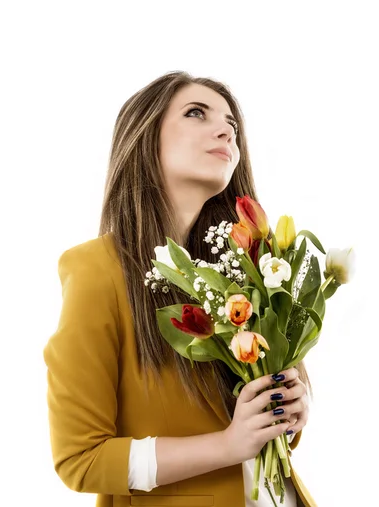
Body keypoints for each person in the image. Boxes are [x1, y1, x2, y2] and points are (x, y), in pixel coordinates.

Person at [43, 71, 317, 507]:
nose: (227, 129)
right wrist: (228, 445)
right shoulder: (97, 270)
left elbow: (262, 437)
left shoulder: (244, 268)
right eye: (196, 113)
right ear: (145, 138)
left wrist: (287, 411)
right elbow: (82, 458)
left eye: (232, 124)